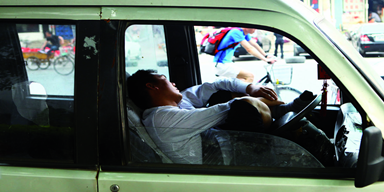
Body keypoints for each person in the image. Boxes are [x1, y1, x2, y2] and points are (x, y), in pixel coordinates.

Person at [127, 69, 314, 165]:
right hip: (227, 161)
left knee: (224, 93)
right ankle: (279, 111)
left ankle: (279, 111)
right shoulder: (159, 120)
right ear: (152, 87)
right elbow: (218, 112)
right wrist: (250, 99)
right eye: (165, 79)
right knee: (242, 106)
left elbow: (216, 85)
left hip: (223, 141)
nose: (173, 82)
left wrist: (251, 88)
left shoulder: (180, 102)